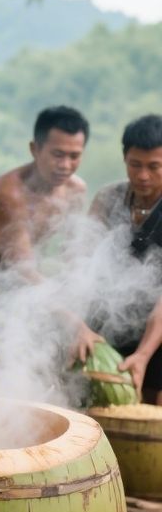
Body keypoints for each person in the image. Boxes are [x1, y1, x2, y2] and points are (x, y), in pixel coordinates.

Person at [0, 106, 90, 276]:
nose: (65, 165)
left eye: (74, 156)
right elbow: (22, 268)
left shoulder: (76, 190)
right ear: (35, 149)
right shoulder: (7, 193)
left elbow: (72, 251)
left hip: (13, 271)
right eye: (58, 154)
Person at [90, 114, 162, 403]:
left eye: (154, 167)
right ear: (124, 159)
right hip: (111, 320)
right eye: (135, 165)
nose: (143, 175)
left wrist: (144, 354)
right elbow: (79, 266)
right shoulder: (108, 199)